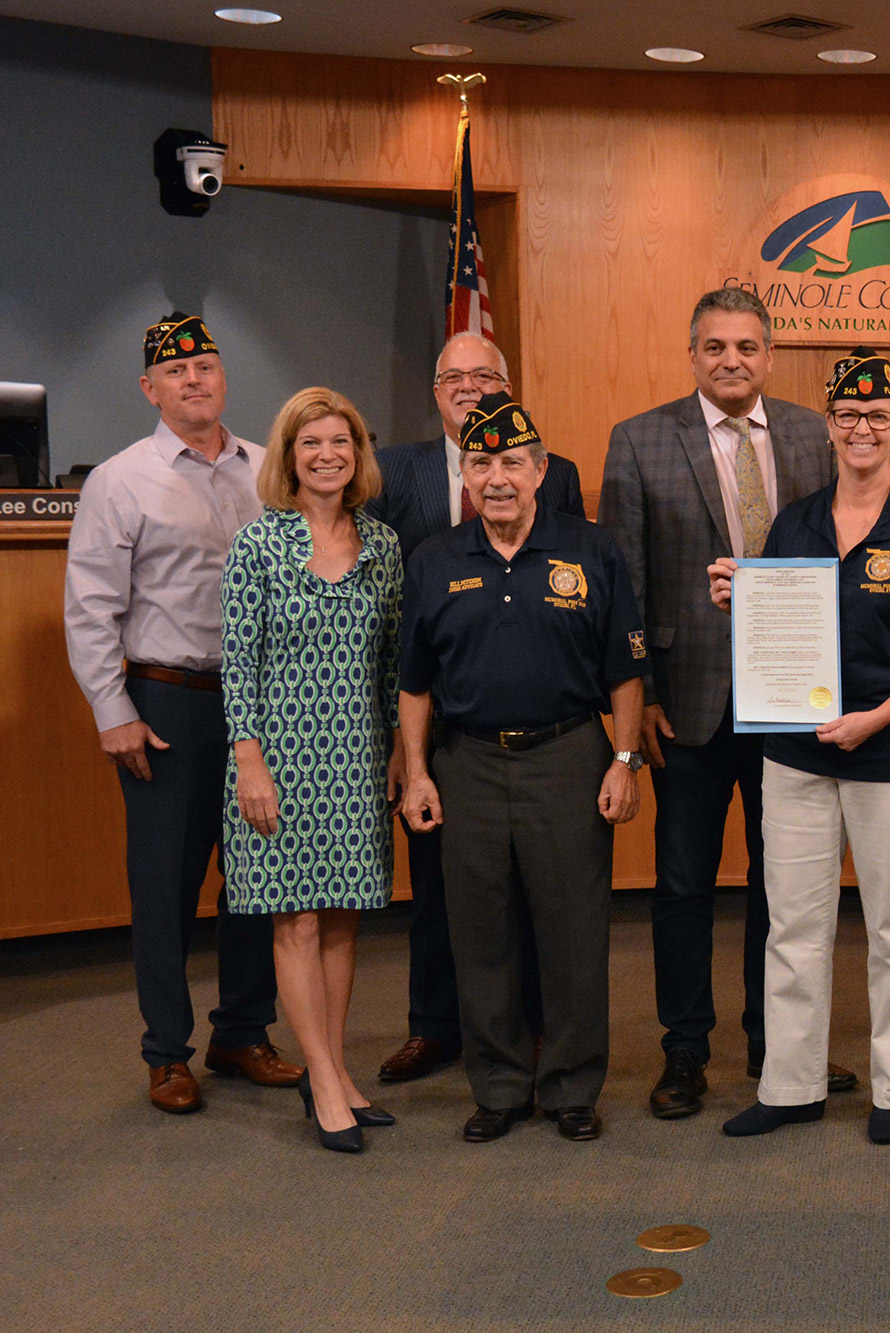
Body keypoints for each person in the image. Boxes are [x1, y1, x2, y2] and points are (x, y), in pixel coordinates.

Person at [709, 349, 890, 1145]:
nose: (863, 429)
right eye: (849, 416)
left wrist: (874, 718)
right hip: (797, 753)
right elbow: (778, 632)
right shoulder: (794, 520)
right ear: (830, 427)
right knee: (793, 924)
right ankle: (791, 1084)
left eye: (879, 416)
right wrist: (740, 598)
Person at [599, 286, 852, 1121]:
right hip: (691, 703)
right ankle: (684, 1050)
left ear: (769, 354)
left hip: (796, 696)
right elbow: (624, 587)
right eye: (714, 347)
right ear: (693, 353)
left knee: (789, 881)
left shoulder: (816, 434)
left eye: (746, 346)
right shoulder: (639, 440)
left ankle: (778, 1040)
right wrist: (641, 706)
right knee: (682, 884)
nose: (731, 360)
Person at [63, 313, 299, 1114]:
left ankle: (242, 1031)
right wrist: (112, 710)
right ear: (149, 389)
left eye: (205, 365)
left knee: (256, 878)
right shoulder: (119, 480)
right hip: (167, 702)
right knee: (164, 884)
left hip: (261, 704)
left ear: (223, 375)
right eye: (176, 372)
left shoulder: (270, 470)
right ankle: (166, 1051)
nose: (194, 379)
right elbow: (91, 607)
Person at [397, 394, 647, 1144]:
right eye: (482, 463)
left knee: (573, 929)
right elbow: (414, 683)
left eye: (513, 462)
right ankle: (500, 1085)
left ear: (541, 470)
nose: (497, 477)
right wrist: (415, 773)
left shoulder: (591, 550)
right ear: (465, 475)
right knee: (481, 931)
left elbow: (626, 672)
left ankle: (572, 1085)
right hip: (466, 760)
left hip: (570, 755)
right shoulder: (436, 560)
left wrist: (626, 759)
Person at [368, 332, 584, 1085]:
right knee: (438, 885)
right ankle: (434, 1027)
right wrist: (403, 737)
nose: (468, 386)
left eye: (485, 374)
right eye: (453, 377)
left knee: (523, 889)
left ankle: (523, 1029)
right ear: (435, 391)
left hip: (529, 714)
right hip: (431, 712)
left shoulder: (558, 474)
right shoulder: (396, 470)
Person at [222, 387, 402, 1152]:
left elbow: (395, 663)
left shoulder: (384, 546)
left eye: (342, 442)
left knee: (340, 921)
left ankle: (335, 1069)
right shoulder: (258, 545)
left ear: (359, 455)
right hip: (279, 763)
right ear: (288, 457)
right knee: (294, 920)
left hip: (357, 755)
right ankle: (324, 1081)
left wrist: (400, 749)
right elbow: (237, 664)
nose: (328, 454)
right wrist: (249, 761)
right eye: (311, 443)